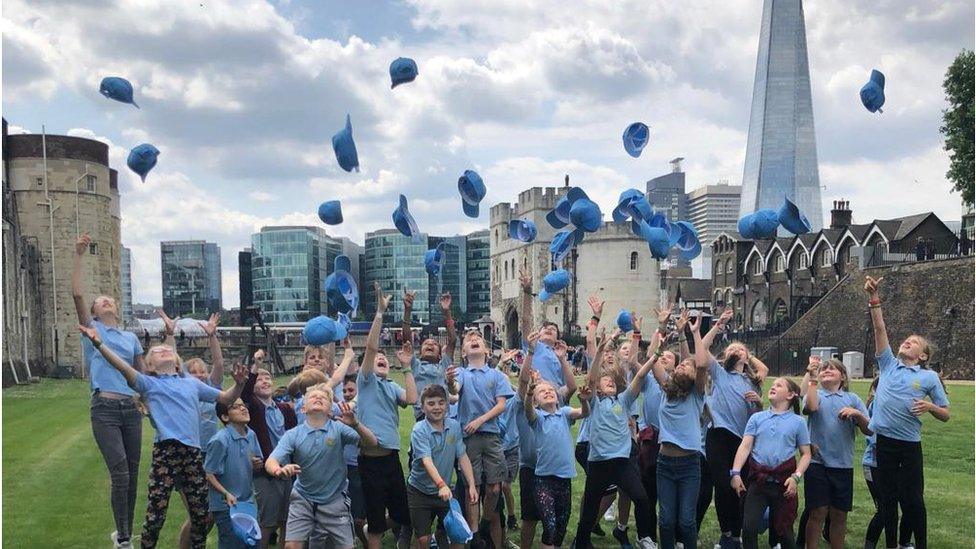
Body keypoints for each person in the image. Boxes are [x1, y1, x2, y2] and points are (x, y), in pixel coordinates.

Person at [78, 324, 249, 549]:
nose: (163, 351)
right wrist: (99, 344)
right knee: (156, 515)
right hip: (166, 454)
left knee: (201, 516)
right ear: (149, 365)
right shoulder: (148, 383)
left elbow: (226, 399)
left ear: (177, 362)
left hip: (192, 454)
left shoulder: (192, 384)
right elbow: (121, 366)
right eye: (156, 352)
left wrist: (239, 384)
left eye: (166, 350)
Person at [863, 275, 950, 549]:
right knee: (888, 501)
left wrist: (931, 406)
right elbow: (880, 329)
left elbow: (945, 414)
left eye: (914, 343)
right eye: (906, 340)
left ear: (923, 356)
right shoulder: (888, 364)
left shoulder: (929, 378)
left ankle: (919, 544)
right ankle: (892, 545)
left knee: (913, 501)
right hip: (884, 444)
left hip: (909, 446)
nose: (907, 342)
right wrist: (874, 299)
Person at [73, 233, 147, 549]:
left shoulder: (130, 338)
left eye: (109, 298)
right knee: (120, 474)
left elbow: (141, 376)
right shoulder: (93, 329)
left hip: (130, 410)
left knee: (131, 477)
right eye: (99, 300)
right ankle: (126, 540)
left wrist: (146, 401)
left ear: (116, 307)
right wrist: (78, 254)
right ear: (93, 310)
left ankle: (123, 532)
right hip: (104, 407)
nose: (105, 300)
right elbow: (77, 295)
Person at [265, 386, 379, 548]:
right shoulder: (293, 434)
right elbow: (271, 461)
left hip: (335, 499)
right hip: (303, 499)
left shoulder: (338, 429)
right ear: (303, 409)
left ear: (329, 409)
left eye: (323, 398)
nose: (318, 398)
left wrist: (356, 424)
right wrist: (279, 470)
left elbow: (372, 443)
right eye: (313, 397)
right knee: (291, 546)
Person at [572, 330, 656, 549]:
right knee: (591, 506)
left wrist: (653, 358)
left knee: (641, 498)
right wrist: (599, 351)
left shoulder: (624, 399)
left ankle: (643, 536)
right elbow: (590, 379)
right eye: (604, 381)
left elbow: (639, 377)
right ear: (598, 387)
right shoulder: (595, 403)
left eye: (611, 380)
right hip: (599, 462)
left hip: (621, 463)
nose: (608, 382)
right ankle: (580, 542)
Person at [702, 307, 769, 549]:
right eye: (732, 349)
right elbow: (703, 349)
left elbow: (764, 371)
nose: (736, 351)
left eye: (741, 349)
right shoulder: (719, 374)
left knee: (739, 485)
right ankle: (726, 532)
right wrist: (718, 325)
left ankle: (738, 533)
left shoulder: (752, 381)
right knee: (722, 485)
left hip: (743, 441)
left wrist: (746, 355)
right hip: (719, 435)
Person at [641, 311, 707, 549]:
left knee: (686, 521)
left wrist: (695, 333)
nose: (681, 368)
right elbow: (652, 358)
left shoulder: (696, 395)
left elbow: (699, 364)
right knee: (666, 521)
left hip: (690, 465)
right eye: (680, 366)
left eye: (686, 368)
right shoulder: (666, 389)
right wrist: (661, 326)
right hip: (665, 464)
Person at [358, 283, 417, 549]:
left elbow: (413, 399)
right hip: (370, 461)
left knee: (401, 515)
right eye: (377, 358)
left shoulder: (391, 386)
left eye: (384, 358)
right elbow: (371, 348)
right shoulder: (366, 380)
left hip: (391, 459)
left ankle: (372, 527)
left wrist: (406, 368)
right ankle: (373, 530)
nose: (380, 358)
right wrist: (380, 313)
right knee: (378, 527)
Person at [447, 330, 514, 549]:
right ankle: (475, 535)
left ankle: (485, 524)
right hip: (469, 438)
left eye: (478, 340)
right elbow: (455, 393)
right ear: (464, 353)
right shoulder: (461, 373)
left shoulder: (495, 376)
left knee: (495, 488)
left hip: (491, 435)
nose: (474, 340)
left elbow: (501, 404)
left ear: (486, 350)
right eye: (469, 340)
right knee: (470, 488)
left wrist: (480, 420)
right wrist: (449, 383)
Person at [730, 378, 811, 549]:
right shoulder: (757, 418)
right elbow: (745, 446)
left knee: (785, 532)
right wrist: (736, 473)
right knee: (749, 528)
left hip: (784, 485)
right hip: (758, 483)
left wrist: (796, 477)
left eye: (779, 385)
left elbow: (806, 454)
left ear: (790, 395)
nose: (773, 387)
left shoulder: (798, 422)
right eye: (772, 385)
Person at [799, 358, 871, 549]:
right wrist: (813, 380)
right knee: (818, 512)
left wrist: (856, 414)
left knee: (839, 514)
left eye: (833, 369)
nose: (827, 370)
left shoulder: (852, 399)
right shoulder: (816, 393)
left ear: (843, 377)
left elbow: (869, 429)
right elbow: (810, 407)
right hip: (817, 464)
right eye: (824, 369)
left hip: (842, 465)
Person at [522, 349, 590, 549]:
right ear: (536, 401)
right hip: (543, 481)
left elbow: (584, 413)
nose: (549, 392)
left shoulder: (565, 413)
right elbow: (527, 410)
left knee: (561, 526)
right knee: (550, 526)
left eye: (551, 390)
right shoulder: (537, 419)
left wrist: (584, 400)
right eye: (542, 392)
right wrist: (529, 390)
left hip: (564, 481)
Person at [408, 384, 479, 549]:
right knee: (422, 540)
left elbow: (462, 456)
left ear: (447, 405)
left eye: (441, 402)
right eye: (431, 404)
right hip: (420, 491)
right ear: (422, 407)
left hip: (445, 493)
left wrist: (472, 485)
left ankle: (440, 537)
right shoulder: (419, 430)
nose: (437, 407)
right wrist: (441, 485)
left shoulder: (453, 426)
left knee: (458, 534)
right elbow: (427, 461)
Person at [179, 312, 226, 548]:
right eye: (193, 372)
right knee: (199, 515)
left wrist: (212, 336)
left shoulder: (211, 389)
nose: (199, 376)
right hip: (187, 457)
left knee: (208, 517)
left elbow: (218, 364)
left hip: (210, 457)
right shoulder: (181, 393)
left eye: (201, 372)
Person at [243, 350, 299, 548]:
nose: (265, 381)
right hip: (266, 474)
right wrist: (256, 366)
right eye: (260, 379)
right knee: (267, 522)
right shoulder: (254, 408)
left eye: (268, 378)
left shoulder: (284, 409)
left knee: (287, 521)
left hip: (288, 470)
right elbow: (245, 392)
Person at [204, 398, 263, 549]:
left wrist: (257, 464)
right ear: (225, 417)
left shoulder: (251, 435)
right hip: (226, 505)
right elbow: (209, 474)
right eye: (235, 407)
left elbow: (255, 464)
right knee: (232, 543)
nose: (243, 408)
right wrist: (226, 493)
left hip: (247, 503)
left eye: (244, 405)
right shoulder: (220, 440)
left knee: (251, 543)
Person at [862, 378, 913, 549]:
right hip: (875, 464)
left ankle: (904, 542)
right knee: (884, 509)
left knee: (909, 503)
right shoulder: (878, 404)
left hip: (895, 464)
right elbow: (876, 436)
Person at [403, 289, 458, 421]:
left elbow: (453, 341)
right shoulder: (415, 365)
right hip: (422, 416)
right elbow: (406, 339)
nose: (429, 345)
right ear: (420, 350)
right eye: (426, 343)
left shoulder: (444, 364)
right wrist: (407, 311)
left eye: (434, 344)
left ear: (440, 353)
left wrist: (447, 312)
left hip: (444, 417)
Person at [334, 375, 368, 547]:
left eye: (351, 390)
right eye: (344, 390)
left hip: (361, 463)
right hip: (344, 465)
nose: (346, 393)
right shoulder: (339, 410)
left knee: (360, 511)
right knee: (351, 510)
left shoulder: (364, 409)